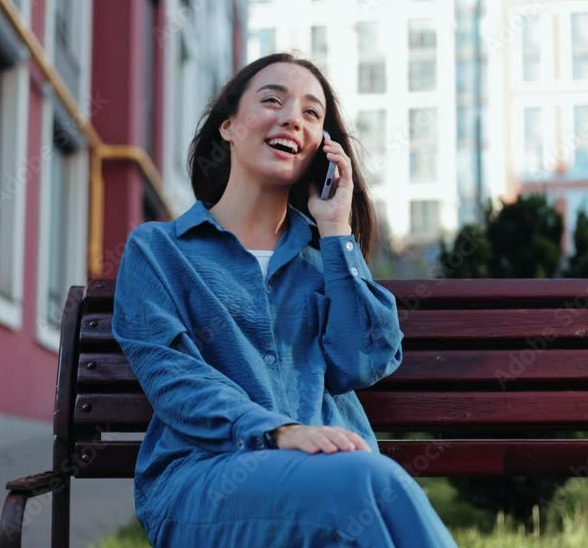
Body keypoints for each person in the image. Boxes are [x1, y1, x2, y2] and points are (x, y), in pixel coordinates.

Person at [112, 52, 458, 547]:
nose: (292, 117)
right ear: (228, 126)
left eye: (311, 114)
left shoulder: (325, 265)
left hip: (332, 479)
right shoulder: (159, 251)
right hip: (204, 482)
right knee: (372, 484)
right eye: (272, 99)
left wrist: (336, 229)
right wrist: (278, 431)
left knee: (371, 492)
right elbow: (173, 378)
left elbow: (362, 362)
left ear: (321, 147)